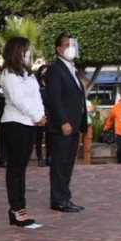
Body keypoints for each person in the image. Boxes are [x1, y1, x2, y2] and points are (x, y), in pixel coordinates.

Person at [0, 38, 46, 226]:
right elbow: (18, 100)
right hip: (15, 123)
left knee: (22, 168)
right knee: (15, 167)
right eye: (26, 50)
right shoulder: (8, 74)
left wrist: (40, 115)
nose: (28, 54)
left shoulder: (28, 74)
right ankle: (17, 208)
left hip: (30, 123)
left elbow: (36, 96)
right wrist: (36, 116)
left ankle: (20, 207)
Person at [44, 33, 87, 213]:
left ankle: (65, 197)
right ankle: (58, 199)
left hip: (75, 125)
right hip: (62, 126)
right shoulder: (55, 69)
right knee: (60, 164)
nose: (72, 48)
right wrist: (63, 121)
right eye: (68, 45)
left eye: (73, 44)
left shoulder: (73, 69)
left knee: (68, 163)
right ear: (59, 49)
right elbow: (54, 98)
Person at [33, 64, 50, 167]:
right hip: (39, 115)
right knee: (38, 138)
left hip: (49, 114)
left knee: (50, 138)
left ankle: (49, 157)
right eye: (43, 72)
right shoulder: (36, 85)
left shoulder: (51, 84)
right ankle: (40, 158)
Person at [81, 98, 95, 165]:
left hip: (88, 125)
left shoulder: (88, 102)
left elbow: (93, 116)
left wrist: (92, 112)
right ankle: (73, 165)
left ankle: (87, 164)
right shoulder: (74, 101)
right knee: (74, 147)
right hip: (78, 126)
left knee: (87, 147)